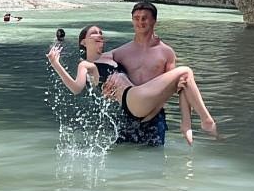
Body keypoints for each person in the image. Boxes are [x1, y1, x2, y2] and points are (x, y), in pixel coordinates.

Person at [46, 23, 217, 145]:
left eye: (101, 32)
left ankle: (187, 124)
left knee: (184, 79)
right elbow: (76, 88)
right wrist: (56, 64)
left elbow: (137, 49)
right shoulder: (86, 65)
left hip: (138, 96)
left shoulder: (111, 56)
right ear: (83, 42)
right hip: (131, 100)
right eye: (94, 33)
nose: (100, 35)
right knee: (185, 71)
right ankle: (197, 122)